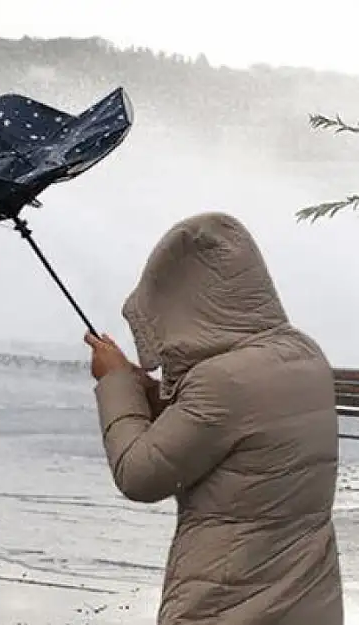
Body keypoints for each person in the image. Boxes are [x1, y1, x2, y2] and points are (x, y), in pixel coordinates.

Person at [84, 211, 343, 624]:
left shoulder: (222, 381)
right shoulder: (303, 353)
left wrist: (116, 383)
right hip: (306, 599)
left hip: (228, 602)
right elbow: (228, 434)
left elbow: (140, 475)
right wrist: (145, 390)